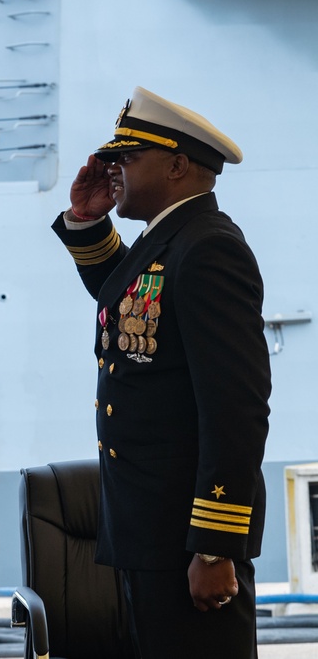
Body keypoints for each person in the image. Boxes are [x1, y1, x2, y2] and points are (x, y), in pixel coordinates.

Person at [51, 86, 271, 657]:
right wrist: (86, 222)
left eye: (126, 158)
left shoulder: (208, 249)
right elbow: (127, 307)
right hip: (149, 528)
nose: (112, 169)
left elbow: (235, 409)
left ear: (177, 166)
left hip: (186, 535)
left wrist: (215, 546)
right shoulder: (169, 242)